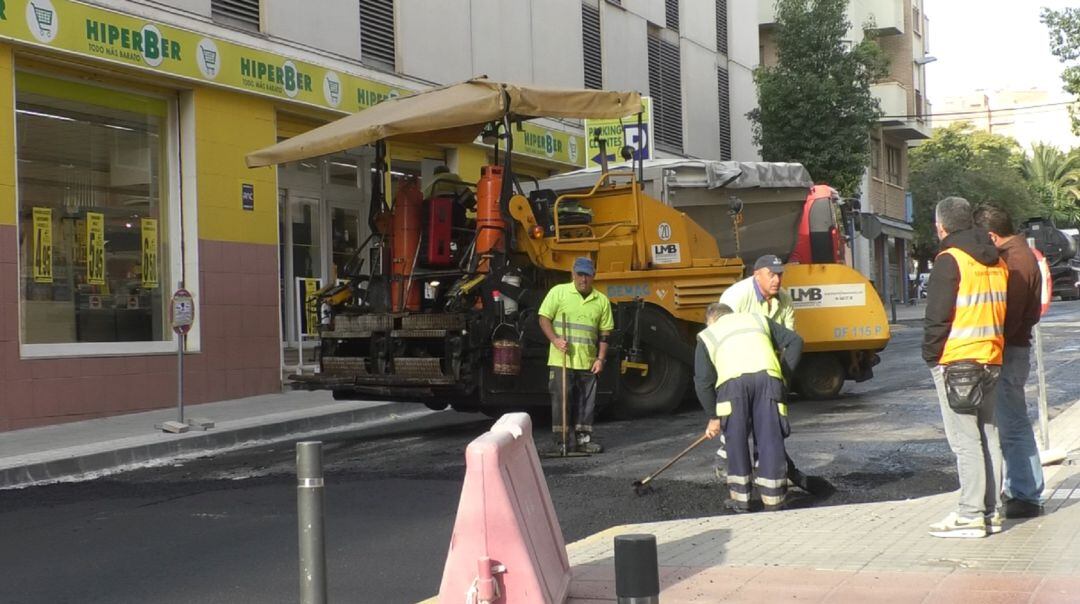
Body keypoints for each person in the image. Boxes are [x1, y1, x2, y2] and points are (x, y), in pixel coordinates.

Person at [923, 196, 1008, 538]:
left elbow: (937, 319)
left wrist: (931, 357)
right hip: (992, 358)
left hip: (957, 361)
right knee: (989, 435)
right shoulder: (996, 260)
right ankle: (992, 510)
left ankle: (970, 514)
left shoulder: (950, 260)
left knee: (965, 440)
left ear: (941, 226)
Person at [694, 303, 803, 512]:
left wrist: (713, 416)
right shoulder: (757, 320)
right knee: (770, 439)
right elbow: (795, 341)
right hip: (768, 380)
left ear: (712, 320)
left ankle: (741, 501)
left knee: (736, 440)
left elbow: (703, 381)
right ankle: (774, 501)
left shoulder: (708, 334)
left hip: (732, 386)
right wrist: (783, 377)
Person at [973, 204, 1044, 518]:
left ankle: (1025, 493)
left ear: (991, 234)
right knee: (1012, 421)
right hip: (1014, 349)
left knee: (1012, 423)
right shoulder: (1022, 254)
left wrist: (992, 347)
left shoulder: (1014, 261)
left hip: (1008, 350)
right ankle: (1021, 489)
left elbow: (1009, 317)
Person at [538, 256, 614, 453]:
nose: (583, 279)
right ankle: (561, 442)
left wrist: (601, 358)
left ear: (593, 276)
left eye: (587, 275)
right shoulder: (559, 292)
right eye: (580, 275)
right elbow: (544, 318)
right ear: (573, 274)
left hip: (588, 361)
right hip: (561, 359)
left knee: (586, 403)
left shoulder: (602, 300)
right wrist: (555, 339)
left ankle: (584, 441)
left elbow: (605, 333)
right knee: (561, 401)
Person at [719, 254, 795, 330]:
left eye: (779, 275)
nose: (777, 280)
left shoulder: (785, 298)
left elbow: (791, 336)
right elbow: (724, 332)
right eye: (771, 275)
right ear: (757, 275)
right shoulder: (735, 296)